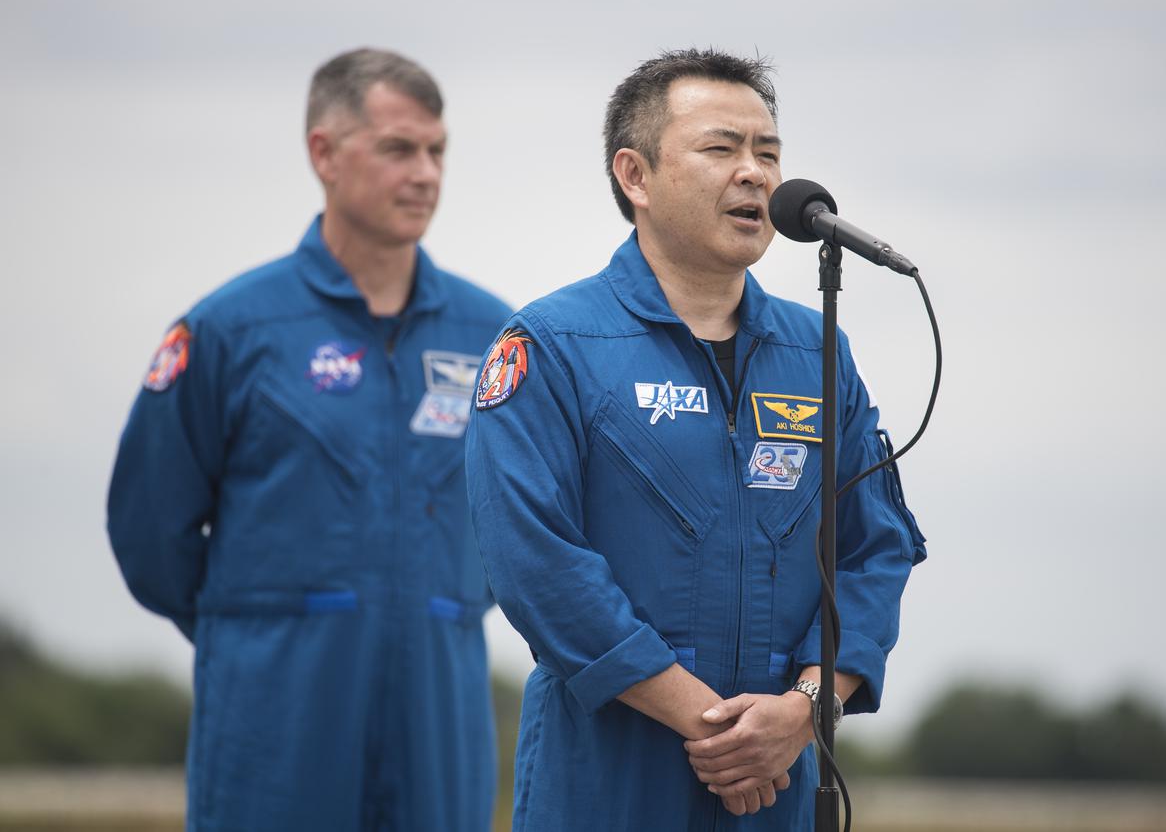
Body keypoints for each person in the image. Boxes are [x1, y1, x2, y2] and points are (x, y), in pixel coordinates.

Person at [465, 48, 928, 830]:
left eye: (769, 153)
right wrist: (712, 725)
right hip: (609, 772)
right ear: (634, 176)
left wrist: (803, 710)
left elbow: (872, 550)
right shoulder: (552, 343)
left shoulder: (818, 352)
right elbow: (536, 561)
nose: (754, 173)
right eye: (721, 148)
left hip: (780, 775)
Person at [107, 48, 510, 831]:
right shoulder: (232, 329)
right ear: (324, 153)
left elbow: (527, 522)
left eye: (437, 151)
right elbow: (149, 529)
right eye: (399, 148)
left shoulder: (495, 334)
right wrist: (261, 624)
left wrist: (440, 605)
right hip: (274, 719)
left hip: (440, 705)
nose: (426, 172)